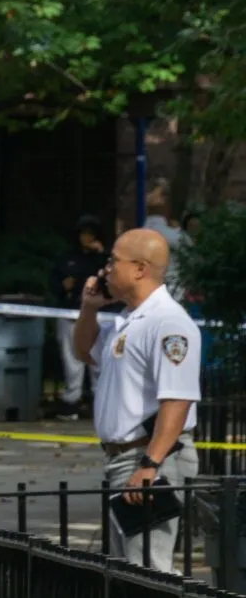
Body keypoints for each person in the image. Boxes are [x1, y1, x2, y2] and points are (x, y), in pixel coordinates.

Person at [75, 228, 198, 572]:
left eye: (113, 260)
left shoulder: (168, 322)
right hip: (125, 459)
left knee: (148, 571)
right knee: (128, 570)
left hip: (148, 457)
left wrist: (150, 465)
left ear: (140, 268)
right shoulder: (129, 319)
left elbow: (178, 399)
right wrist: (89, 307)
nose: (106, 269)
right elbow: (84, 351)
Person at [49, 217, 109, 418]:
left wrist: (101, 254)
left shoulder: (104, 259)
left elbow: (112, 280)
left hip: (97, 316)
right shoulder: (67, 258)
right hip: (70, 313)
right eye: (83, 233)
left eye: (91, 234)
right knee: (71, 360)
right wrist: (62, 286)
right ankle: (71, 402)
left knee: (97, 360)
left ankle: (99, 403)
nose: (87, 238)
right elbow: (53, 283)